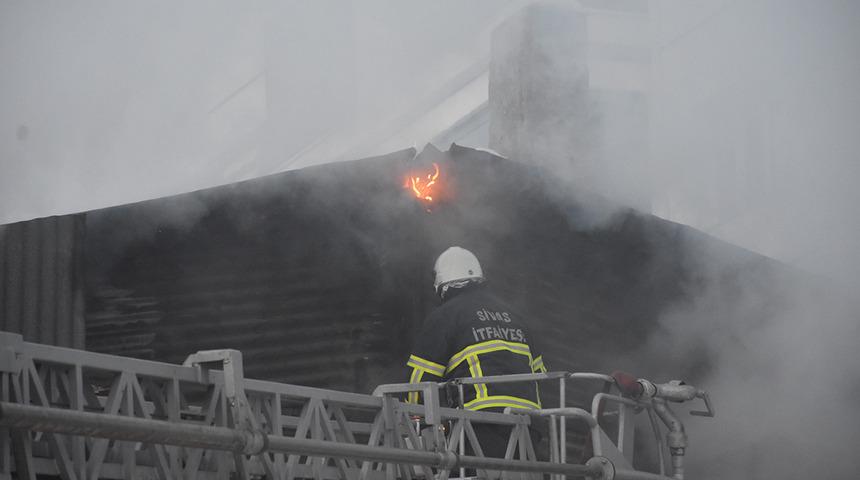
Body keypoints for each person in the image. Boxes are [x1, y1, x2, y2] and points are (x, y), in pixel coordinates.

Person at [405, 246, 547, 459]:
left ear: (443, 285)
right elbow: (541, 374)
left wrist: (412, 420)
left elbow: (420, 381)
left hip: (481, 428)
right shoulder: (515, 317)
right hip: (530, 428)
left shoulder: (445, 316)